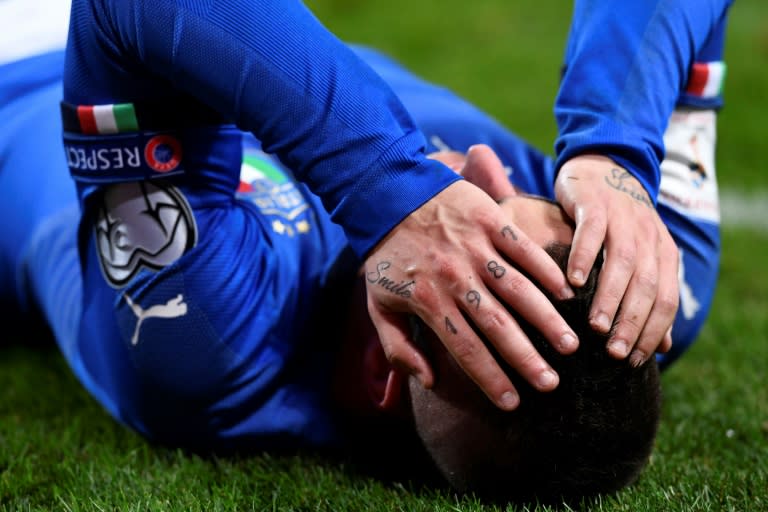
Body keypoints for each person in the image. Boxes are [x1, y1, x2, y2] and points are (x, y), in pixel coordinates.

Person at [0, 0, 727, 503]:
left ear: (384, 368)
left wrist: (385, 188)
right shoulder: (649, 286)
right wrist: (615, 151)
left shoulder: (212, 340)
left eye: (484, 224)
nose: (484, 168)